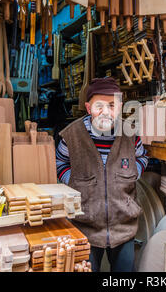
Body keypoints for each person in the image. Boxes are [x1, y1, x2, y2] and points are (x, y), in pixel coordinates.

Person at [56, 77, 148, 272]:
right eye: (99, 106)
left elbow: (141, 157)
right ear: (89, 108)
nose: (106, 111)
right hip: (84, 226)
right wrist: (72, 181)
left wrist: (133, 173)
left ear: (120, 107)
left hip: (124, 227)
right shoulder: (72, 136)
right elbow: (60, 163)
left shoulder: (131, 134)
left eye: (112, 105)